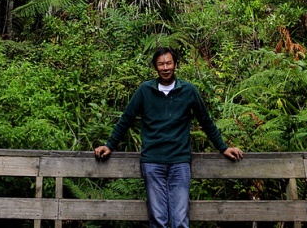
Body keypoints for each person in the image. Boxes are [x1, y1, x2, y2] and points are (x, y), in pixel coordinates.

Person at [94, 46, 243, 228]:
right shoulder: (145, 90)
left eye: (169, 63)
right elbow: (127, 119)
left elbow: (206, 121)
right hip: (152, 161)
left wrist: (223, 147)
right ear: (155, 67)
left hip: (179, 162)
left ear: (175, 64)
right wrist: (110, 145)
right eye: (161, 64)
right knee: (158, 219)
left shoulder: (188, 91)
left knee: (180, 219)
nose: (165, 68)